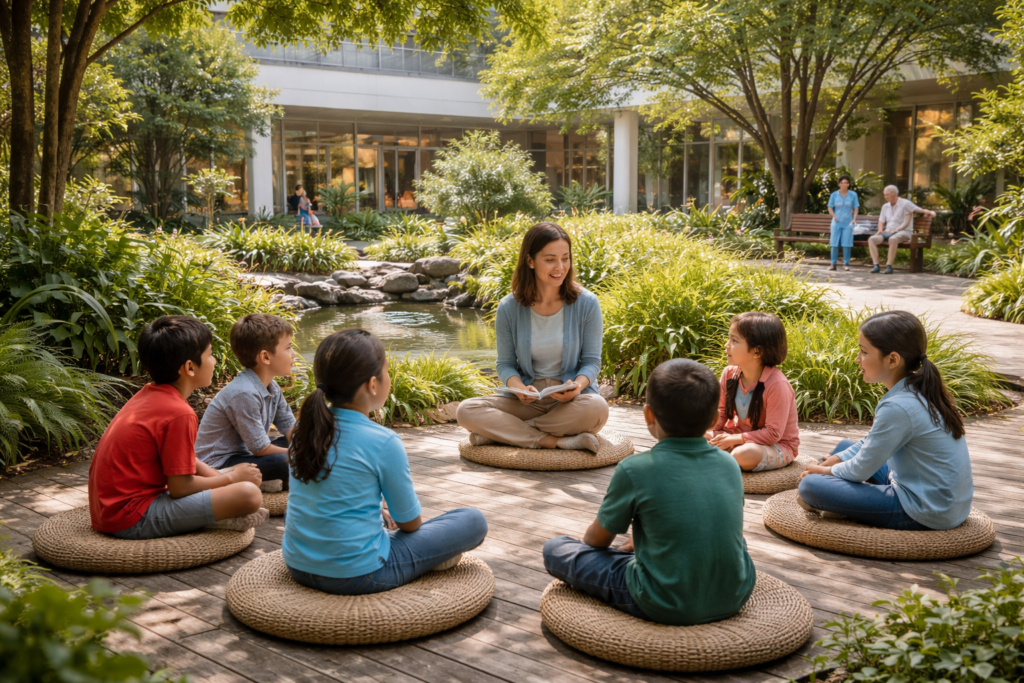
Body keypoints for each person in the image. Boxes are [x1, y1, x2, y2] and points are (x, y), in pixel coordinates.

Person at [543, 358, 756, 625]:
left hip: (661, 599)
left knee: (556, 549)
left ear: (648, 415)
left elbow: (597, 541)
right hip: (736, 592)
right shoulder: (729, 464)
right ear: (714, 419)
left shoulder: (635, 469)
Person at [283, 329, 488, 594]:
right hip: (360, 574)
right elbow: (410, 524)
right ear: (372, 384)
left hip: (298, 565)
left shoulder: (303, 429)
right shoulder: (383, 441)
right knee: (472, 520)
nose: (388, 378)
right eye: (387, 371)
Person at [88, 316, 267, 540]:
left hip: (111, 510)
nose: (214, 361)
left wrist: (226, 477)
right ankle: (212, 519)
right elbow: (180, 488)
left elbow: (185, 461)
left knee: (239, 474)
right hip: (132, 518)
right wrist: (230, 480)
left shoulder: (151, 394)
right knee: (248, 494)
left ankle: (215, 503)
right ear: (190, 368)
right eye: (210, 355)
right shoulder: (178, 413)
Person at [797, 311, 972, 530]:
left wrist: (821, 471)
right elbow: (870, 443)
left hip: (924, 510)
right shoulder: (916, 389)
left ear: (892, 359)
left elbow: (860, 469)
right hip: (942, 501)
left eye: (863, 351)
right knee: (843, 448)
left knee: (811, 486)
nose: (857, 358)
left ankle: (835, 502)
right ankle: (839, 499)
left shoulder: (898, 406)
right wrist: (833, 461)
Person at [456, 222, 609, 453]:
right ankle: (554, 441)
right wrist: (518, 388)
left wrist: (577, 387)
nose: (560, 267)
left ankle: (505, 434)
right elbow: (505, 364)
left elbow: (591, 362)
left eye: (565, 258)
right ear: (530, 261)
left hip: (571, 400)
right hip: (529, 400)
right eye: (550, 259)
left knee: (597, 407)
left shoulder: (587, 303)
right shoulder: (509, 307)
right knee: (466, 410)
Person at [195, 314, 296, 491]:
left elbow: (289, 425)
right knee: (286, 460)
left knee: (308, 441)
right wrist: (303, 455)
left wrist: (309, 446)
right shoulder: (244, 393)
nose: (293, 354)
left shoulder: (271, 386)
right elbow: (261, 449)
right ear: (265, 357)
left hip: (246, 455)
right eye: (288, 348)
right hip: (220, 464)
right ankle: (262, 480)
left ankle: (273, 478)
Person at [708, 312, 800, 472]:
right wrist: (716, 436)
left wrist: (735, 439)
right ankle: (721, 457)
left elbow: (773, 434)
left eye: (734, 340)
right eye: (729, 338)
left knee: (744, 454)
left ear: (757, 352)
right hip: (736, 437)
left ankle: (719, 459)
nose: (726, 345)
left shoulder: (777, 385)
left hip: (775, 446)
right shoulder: (729, 374)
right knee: (694, 436)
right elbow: (721, 413)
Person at [869, 186, 937, 274]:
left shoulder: (905, 203)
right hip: (888, 231)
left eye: (887, 195)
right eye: (884, 195)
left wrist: (930, 212)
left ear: (894, 194)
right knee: (872, 239)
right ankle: (876, 265)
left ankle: (889, 266)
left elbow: (919, 210)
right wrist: (880, 229)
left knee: (893, 239)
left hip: (904, 231)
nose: (885, 196)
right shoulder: (885, 206)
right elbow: (881, 221)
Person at [827, 174, 859, 271]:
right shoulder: (834, 195)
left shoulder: (853, 195)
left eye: (846, 183)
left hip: (848, 222)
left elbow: (856, 207)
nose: (844, 184)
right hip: (836, 222)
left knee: (847, 244)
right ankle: (833, 264)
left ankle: (846, 264)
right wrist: (834, 216)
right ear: (839, 184)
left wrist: (854, 219)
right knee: (834, 243)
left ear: (848, 184)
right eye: (842, 183)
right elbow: (830, 207)